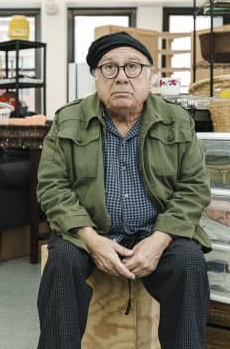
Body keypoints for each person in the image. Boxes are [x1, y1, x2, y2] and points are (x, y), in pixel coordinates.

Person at [37, 32, 211, 348]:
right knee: (61, 262)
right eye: (109, 68)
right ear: (96, 77)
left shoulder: (177, 120)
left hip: (156, 231)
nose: (121, 78)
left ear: (149, 76)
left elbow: (194, 187)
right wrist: (90, 239)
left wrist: (159, 240)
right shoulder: (68, 119)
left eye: (132, 67)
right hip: (88, 232)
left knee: (189, 263)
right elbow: (52, 186)